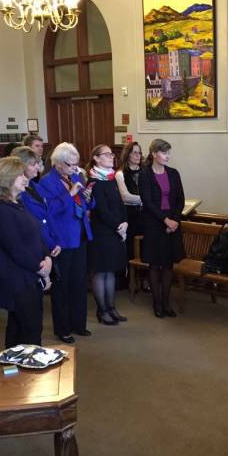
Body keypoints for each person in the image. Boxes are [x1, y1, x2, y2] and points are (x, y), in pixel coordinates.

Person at [0, 157, 52, 348]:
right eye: (20, 175)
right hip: (18, 278)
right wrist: (40, 268)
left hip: (29, 274)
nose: (25, 178)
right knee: (29, 330)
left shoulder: (15, 203)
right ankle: (25, 365)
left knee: (21, 328)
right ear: (7, 178)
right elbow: (14, 247)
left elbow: (35, 233)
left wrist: (47, 258)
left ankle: (17, 363)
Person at [34, 143, 93, 343]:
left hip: (80, 235)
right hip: (62, 239)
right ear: (57, 164)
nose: (75, 168)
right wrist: (70, 194)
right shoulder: (46, 182)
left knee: (79, 283)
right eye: (70, 164)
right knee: (62, 286)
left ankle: (79, 324)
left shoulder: (75, 176)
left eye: (76, 164)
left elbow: (86, 204)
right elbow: (49, 211)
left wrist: (88, 198)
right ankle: (63, 328)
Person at [139, 138, 185, 318]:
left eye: (168, 152)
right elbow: (147, 202)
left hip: (172, 223)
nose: (168, 156)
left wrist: (174, 221)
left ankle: (166, 304)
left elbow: (180, 199)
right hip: (154, 224)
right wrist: (165, 221)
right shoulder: (145, 174)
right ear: (154, 154)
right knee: (154, 265)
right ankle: (157, 304)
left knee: (168, 265)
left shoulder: (173, 173)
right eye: (164, 153)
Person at [86, 144, 128, 325]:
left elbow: (120, 203)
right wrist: (118, 225)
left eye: (112, 154)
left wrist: (125, 222)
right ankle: (102, 310)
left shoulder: (111, 178)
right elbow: (102, 210)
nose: (112, 157)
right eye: (107, 154)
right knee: (101, 271)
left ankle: (111, 307)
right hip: (102, 232)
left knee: (110, 270)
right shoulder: (93, 181)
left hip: (115, 230)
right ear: (96, 158)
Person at [116, 142, 143, 286]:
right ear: (127, 155)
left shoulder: (145, 171)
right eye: (135, 153)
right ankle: (128, 280)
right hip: (129, 215)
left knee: (144, 247)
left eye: (139, 153)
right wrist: (145, 199)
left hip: (144, 215)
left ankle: (142, 279)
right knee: (130, 248)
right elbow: (125, 197)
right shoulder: (120, 174)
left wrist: (144, 200)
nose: (138, 156)